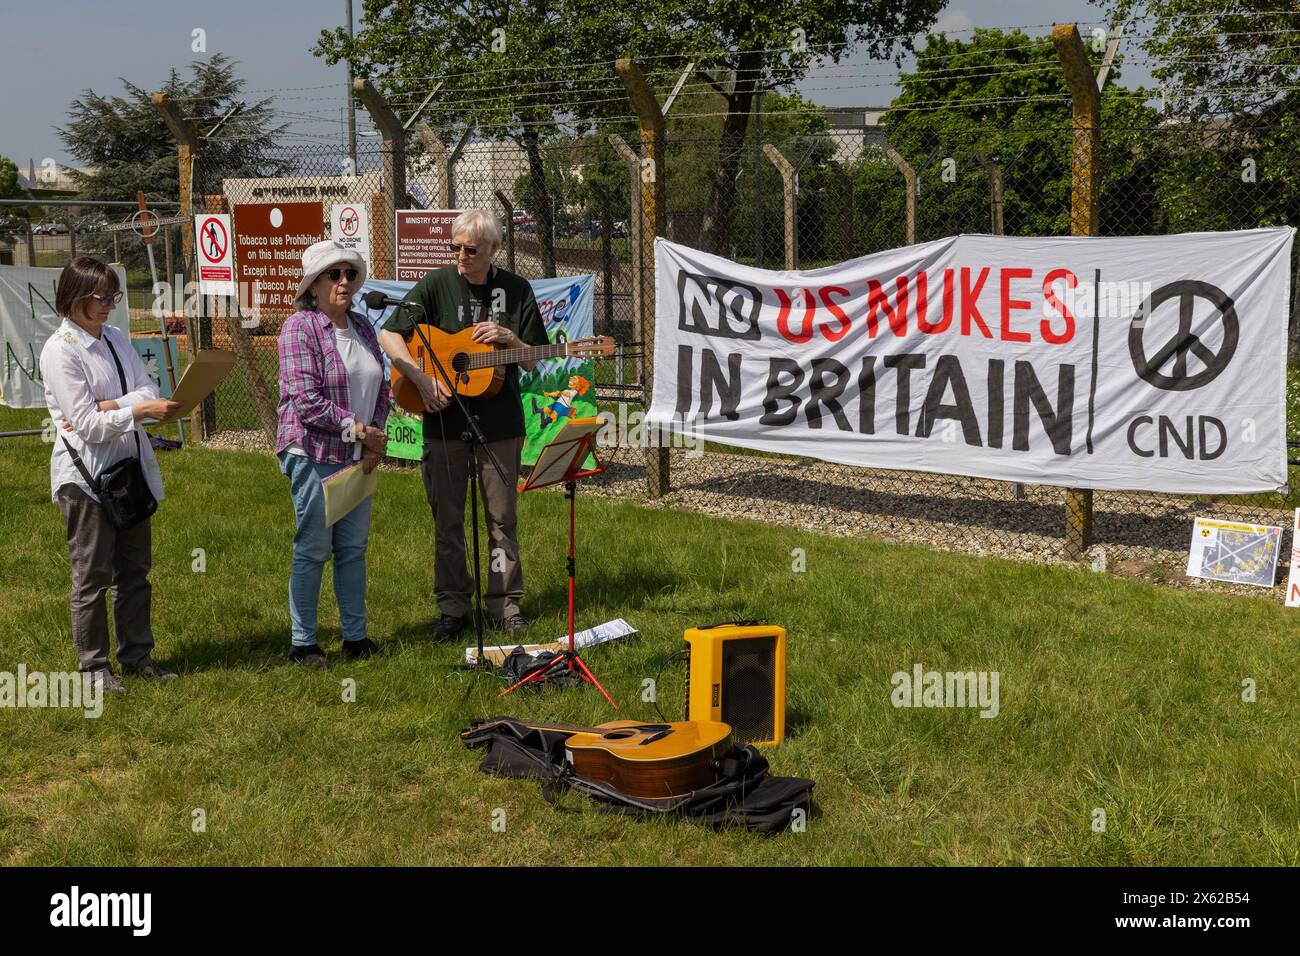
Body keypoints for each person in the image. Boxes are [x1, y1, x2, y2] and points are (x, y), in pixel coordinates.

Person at [378, 209, 548, 637]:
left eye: (470, 249)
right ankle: (453, 607)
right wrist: (419, 376)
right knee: (448, 519)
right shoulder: (435, 285)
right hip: (443, 422)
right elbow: (389, 334)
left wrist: (512, 340)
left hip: (500, 424)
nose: (460, 256)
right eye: (455, 247)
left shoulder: (516, 289)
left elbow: (536, 360)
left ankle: (505, 606)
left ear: (494, 249)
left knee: (502, 519)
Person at [40, 257, 181, 692]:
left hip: (127, 471)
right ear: (74, 296)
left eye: (112, 296)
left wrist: (110, 406)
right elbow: (88, 428)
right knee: (93, 577)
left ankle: (137, 656)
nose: (108, 304)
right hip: (85, 480)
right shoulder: (60, 350)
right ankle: (94, 671)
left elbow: (147, 388)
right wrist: (134, 410)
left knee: (135, 571)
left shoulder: (117, 338)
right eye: (100, 297)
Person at [277, 239, 391, 668]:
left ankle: (355, 637)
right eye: (334, 274)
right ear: (313, 285)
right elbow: (305, 400)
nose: (345, 282)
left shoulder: (362, 327)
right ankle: (303, 643)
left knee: (354, 548)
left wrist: (373, 436)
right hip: (312, 450)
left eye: (349, 274)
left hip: (357, 453)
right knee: (313, 548)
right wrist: (359, 431)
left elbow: (384, 386)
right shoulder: (299, 328)